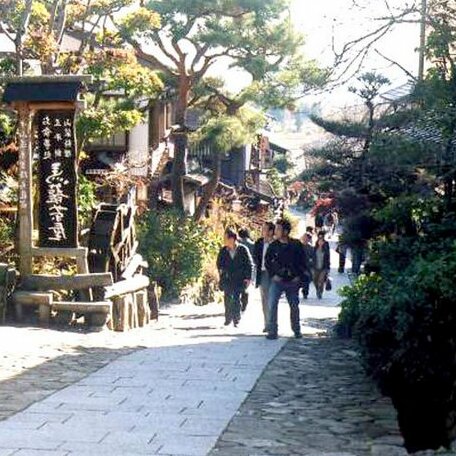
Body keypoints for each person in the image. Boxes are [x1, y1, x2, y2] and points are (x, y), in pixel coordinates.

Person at [265, 219, 307, 340]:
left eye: (278, 229)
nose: (276, 231)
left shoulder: (296, 244)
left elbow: (302, 262)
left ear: (286, 231)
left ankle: (296, 329)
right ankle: (272, 331)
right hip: (277, 280)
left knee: (294, 306)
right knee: (272, 304)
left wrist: (298, 276)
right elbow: (268, 262)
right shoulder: (273, 246)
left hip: (292, 280)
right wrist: (273, 275)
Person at [217, 228, 253, 327]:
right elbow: (219, 263)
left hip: (239, 279)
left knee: (236, 298)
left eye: (225, 238)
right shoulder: (223, 250)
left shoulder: (242, 249)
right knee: (227, 298)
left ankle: (236, 318)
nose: (224, 240)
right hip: (227, 278)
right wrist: (221, 271)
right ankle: (228, 318)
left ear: (232, 239)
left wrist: (248, 278)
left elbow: (249, 264)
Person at [253, 221, 275, 332]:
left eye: (265, 229)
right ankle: (267, 323)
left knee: (273, 299)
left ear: (271, 231)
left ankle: (272, 323)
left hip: (274, 275)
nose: (263, 231)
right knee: (265, 299)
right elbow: (255, 257)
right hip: (262, 273)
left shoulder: (276, 244)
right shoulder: (259, 243)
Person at [238, 228, 255, 312]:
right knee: (245, 287)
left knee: (237, 287)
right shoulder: (252, 244)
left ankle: (238, 304)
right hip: (250, 269)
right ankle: (244, 304)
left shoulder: (238, 243)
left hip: (238, 268)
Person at [313, 231, 331, 299]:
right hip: (316, 266)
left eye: (322, 238)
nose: (320, 239)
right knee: (315, 280)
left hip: (324, 267)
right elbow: (313, 256)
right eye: (319, 237)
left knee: (321, 280)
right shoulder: (315, 246)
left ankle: (320, 292)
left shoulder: (326, 245)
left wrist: (328, 267)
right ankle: (317, 290)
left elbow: (328, 256)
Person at [300, 233, 314, 300]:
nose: (304, 239)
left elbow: (313, 258)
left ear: (308, 239)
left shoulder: (311, 248)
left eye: (306, 238)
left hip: (307, 267)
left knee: (306, 281)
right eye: (303, 237)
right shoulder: (298, 246)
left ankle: (305, 293)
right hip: (298, 266)